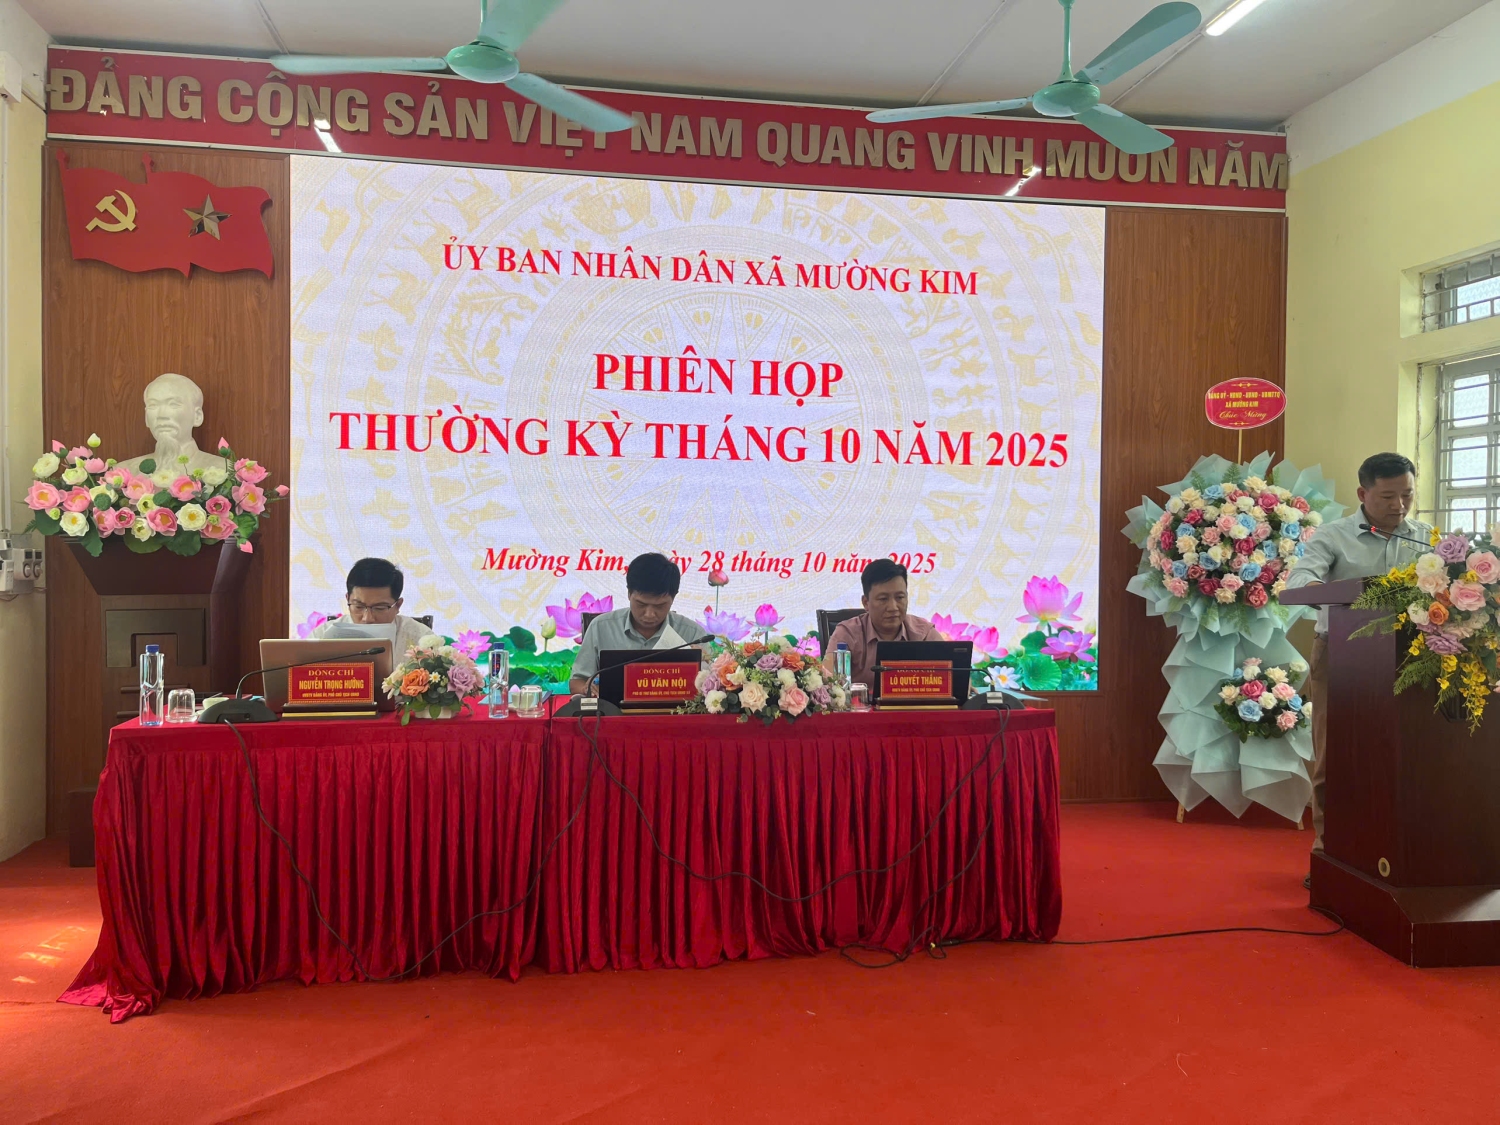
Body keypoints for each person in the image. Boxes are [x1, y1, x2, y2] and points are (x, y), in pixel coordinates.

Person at [1284, 452, 1432, 880]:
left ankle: (1403, 852)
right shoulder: (1333, 536)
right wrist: (1342, 591)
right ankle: (1328, 854)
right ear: (1362, 494)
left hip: (1414, 657)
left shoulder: (1426, 539)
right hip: (1342, 656)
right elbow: (1299, 582)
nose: (1399, 505)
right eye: (1387, 497)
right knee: (1335, 757)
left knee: (1407, 756)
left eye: (1407, 495)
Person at [568, 552, 705, 694]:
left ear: (674, 597)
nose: (649, 614)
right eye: (641, 604)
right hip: (612, 708)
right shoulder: (601, 627)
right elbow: (577, 682)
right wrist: (587, 689)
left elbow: (709, 689)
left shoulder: (693, 635)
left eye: (660, 606)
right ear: (629, 593)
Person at [824, 558, 940, 686]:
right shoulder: (847, 634)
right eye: (883, 599)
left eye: (900, 597)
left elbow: (951, 679)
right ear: (866, 603)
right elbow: (827, 683)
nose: (893, 607)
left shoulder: (924, 634)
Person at [309, 557, 431, 656]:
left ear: (398, 605)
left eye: (379, 608)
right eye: (358, 606)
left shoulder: (421, 639)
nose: (367, 618)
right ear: (347, 599)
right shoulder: (321, 637)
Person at [118, 373, 226, 477]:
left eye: (173, 404)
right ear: (146, 417)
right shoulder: (122, 473)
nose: (161, 415)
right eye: (153, 405)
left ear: (197, 416)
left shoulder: (225, 472)